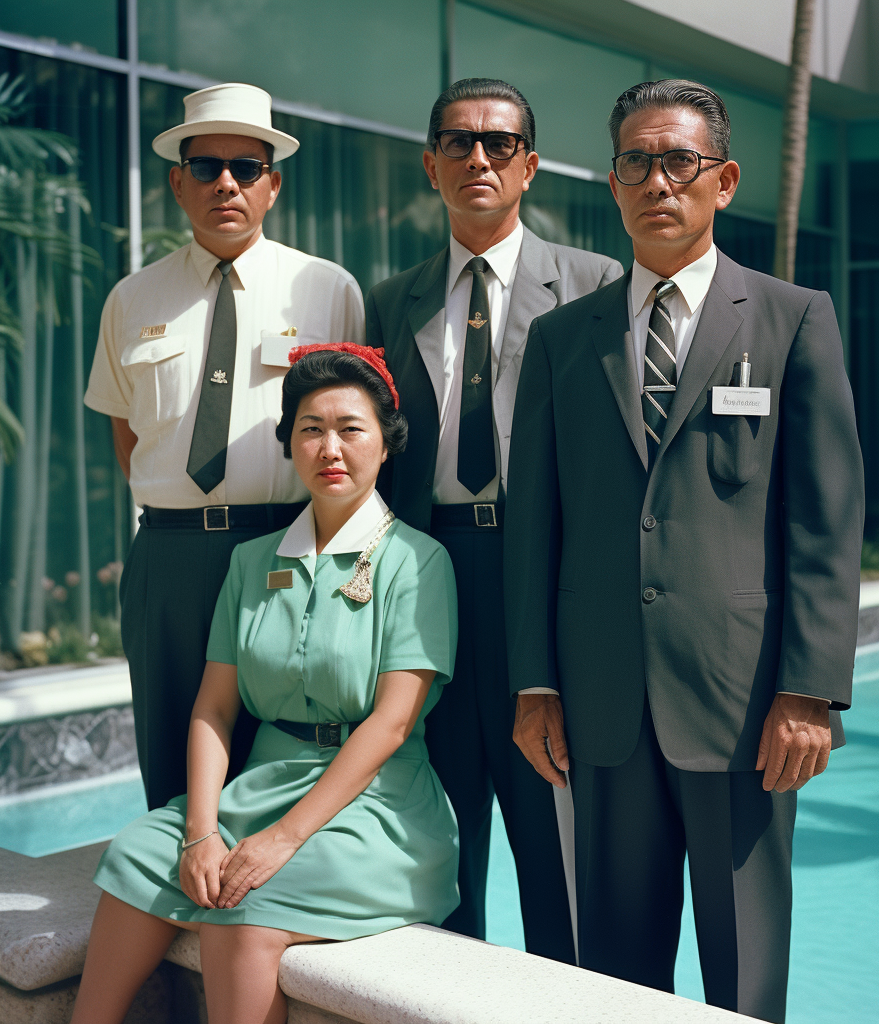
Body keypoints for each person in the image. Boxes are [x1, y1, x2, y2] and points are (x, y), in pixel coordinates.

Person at [504, 80, 864, 1023]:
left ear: (724, 180)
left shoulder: (794, 320)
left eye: (679, 162)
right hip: (602, 704)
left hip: (747, 707)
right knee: (616, 970)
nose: (657, 180)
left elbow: (825, 521)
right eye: (636, 162)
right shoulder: (559, 338)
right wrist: (536, 683)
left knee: (744, 974)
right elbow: (535, 519)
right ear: (614, 183)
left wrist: (810, 689)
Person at [71, 346, 458, 1024]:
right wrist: (200, 831)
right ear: (289, 443)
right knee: (137, 851)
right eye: (310, 428)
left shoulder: (418, 563)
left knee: (242, 910)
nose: (329, 447)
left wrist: (285, 838)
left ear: (387, 443)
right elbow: (214, 709)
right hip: (259, 785)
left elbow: (392, 724)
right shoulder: (252, 562)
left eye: (350, 428)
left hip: (373, 804)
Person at [366, 78, 622, 962]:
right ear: (431, 163)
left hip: (544, 573)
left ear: (531, 165)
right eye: (460, 142)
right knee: (439, 818)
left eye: (500, 144)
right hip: (428, 570)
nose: (479, 158)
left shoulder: (599, 284)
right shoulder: (388, 298)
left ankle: (564, 993)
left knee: (551, 816)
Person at [84, 83, 364, 810]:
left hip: (284, 547)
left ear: (273, 183)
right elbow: (127, 431)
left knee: (285, 746)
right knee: (172, 754)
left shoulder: (326, 289)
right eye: (205, 168)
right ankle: (182, 901)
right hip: (170, 559)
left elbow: (354, 425)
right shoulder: (131, 298)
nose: (226, 184)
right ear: (178, 182)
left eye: (246, 166)